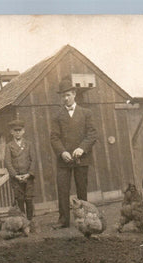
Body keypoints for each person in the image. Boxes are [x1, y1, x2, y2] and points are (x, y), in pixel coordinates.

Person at [50, 78, 97, 229]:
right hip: (63, 160)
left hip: (81, 159)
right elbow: (54, 137)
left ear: (74, 94)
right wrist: (62, 152)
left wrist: (82, 148)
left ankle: (85, 217)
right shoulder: (57, 116)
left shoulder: (86, 113)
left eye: (68, 95)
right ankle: (63, 220)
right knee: (63, 189)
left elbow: (92, 134)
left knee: (82, 188)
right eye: (63, 96)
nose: (66, 98)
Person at [4, 119, 36, 221]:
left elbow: (33, 160)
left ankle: (30, 221)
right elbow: (7, 162)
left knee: (29, 199)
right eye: (15, 130)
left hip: (28, 177)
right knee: (20, 200)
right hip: (16, 178)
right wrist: (15, 175)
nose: (18, 132)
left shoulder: (29, 144)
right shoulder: (9, 146)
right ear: (12, 132)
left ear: (23, 131)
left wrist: (29, 174)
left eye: (20, 130)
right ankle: (23, 222)